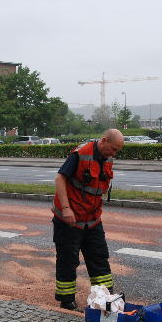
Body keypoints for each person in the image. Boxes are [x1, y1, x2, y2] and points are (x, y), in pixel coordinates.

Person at [52, 129, 125, 310]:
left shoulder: (107, 158)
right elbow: (60, 178)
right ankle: (66, 300)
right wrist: (67, 208)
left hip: (92, 220)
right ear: (104, 140)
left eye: (117, 151)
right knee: (68, 260)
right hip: (70, 219)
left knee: (99, 257)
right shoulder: (81, 154)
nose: (114, 154)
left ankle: (105, 298)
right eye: (113, 149)